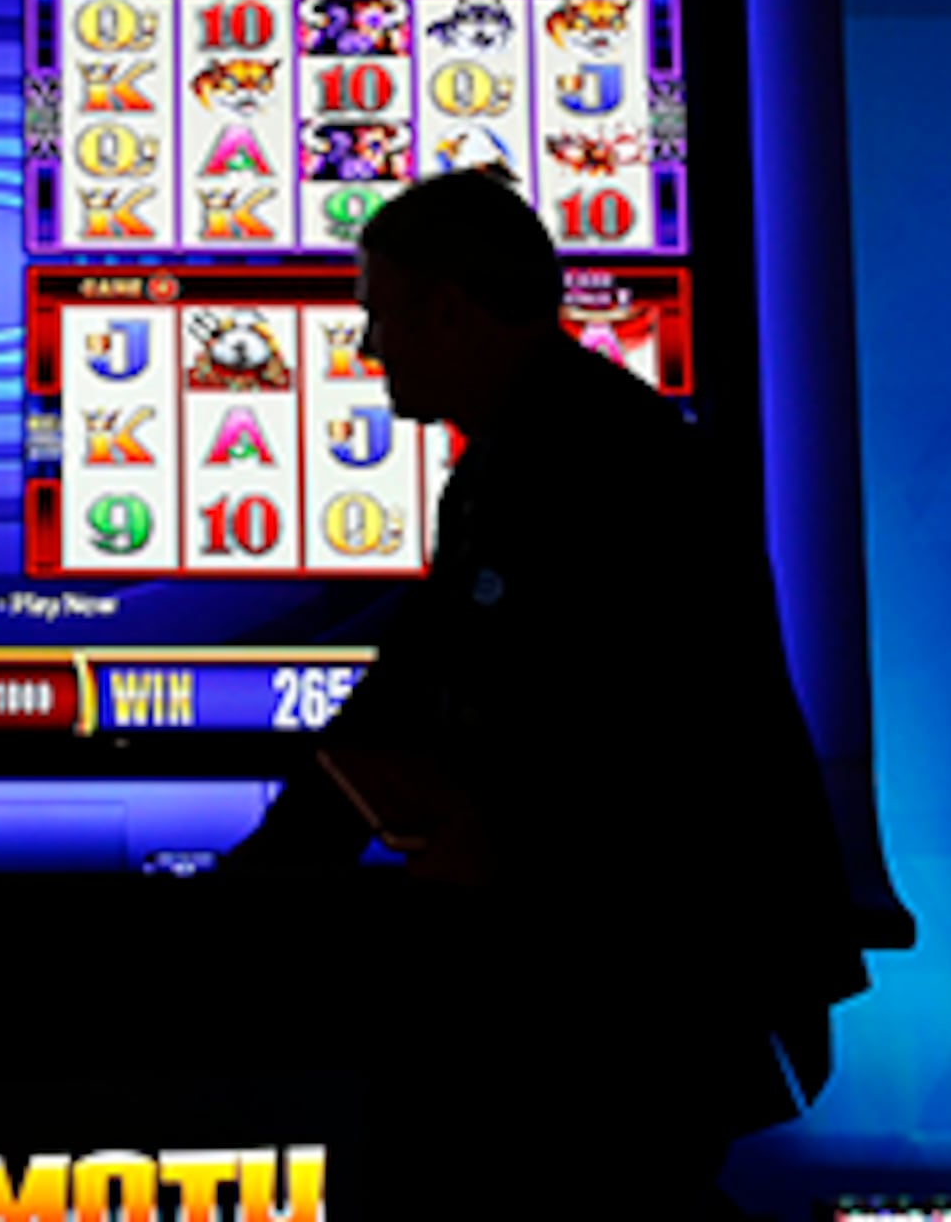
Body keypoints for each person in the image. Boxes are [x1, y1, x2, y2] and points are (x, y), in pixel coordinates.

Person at [222, 170, 867, 1214]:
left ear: (450, 308)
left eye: (382, 314)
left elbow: (662, 735)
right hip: (594, 957)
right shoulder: (522, 453)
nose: (369, 348)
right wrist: (289, 853)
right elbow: (419, 673)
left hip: (640, 977)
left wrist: (494, 837)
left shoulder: (610, 463)